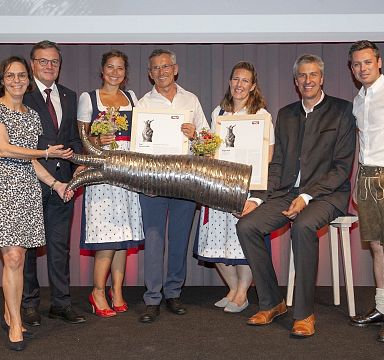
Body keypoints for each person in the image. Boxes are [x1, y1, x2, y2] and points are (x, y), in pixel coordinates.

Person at [236, 54, 356, 337]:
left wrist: (307, 196)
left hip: (327, 194)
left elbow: (341, 169)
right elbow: (276, 163)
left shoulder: (342, 111)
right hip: (286, 191)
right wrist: (257, 198)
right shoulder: (286, 114)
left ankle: (304, 314)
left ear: (322, 78)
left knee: (302, 227)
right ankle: (272, 303)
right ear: (296, 81)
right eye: (302, 76)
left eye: (313, 75)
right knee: (248, 226)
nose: (308, 80)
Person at [0, 56, 74, 351]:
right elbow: (4, 149)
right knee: (14, 258)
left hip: (27, 190)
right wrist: (45, 151)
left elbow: (30, 160)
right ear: (2, 79)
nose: (16, 80)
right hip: (4, 189)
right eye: (10, 75)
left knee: (16, 258)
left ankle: (10, 311)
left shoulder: (31, 115)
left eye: (21, 76)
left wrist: (57, 184)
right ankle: (16, 324)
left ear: (28, 80)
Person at [194, 61, 274, 313]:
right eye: (235, 79)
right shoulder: (219, 113)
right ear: (230, 82)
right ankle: (233, 289)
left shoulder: (261, 115)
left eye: (245, 81)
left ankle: (242, 294)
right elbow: (208, 149)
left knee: (241, 241)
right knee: (216, 240)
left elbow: (268, 157)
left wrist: (254, 187)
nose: (239, 85)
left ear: (252, 86)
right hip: (219, 187)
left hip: (246, 188)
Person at [137, 49, 209, 323]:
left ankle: (173, 293)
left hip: (185, 180)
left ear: (175, 69)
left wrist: (196, 135)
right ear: (150, 73)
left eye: (165, 66)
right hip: (153, 182)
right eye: (155, 68)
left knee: (179, 239)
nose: (161, 71)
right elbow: (138, 147)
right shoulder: (143, 104)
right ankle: (152, 297)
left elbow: (207, 141)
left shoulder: (191, 100)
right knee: (154, 239)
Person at [22, 40, 85, 326]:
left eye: (54, 62)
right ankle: (29, 305)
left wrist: (78, 166)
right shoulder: (21, 92)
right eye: (43, 61)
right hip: (29, 179)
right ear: (32, 64)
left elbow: (72, 138)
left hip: (62, 183)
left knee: (60, 247)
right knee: (29, 249)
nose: (49, 66)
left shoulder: (70, 96)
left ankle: (61, 303)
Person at [77, 50, 144, 317]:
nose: (115, 72)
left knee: (123, 237)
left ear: (125, 73)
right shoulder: (88, 98)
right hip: (103, 172)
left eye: (120, 68)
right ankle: (97, 292)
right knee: (106, 237)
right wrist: (97, 141)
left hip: (127, 171)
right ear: (102, 71)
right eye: (110, 67)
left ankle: (117, 291)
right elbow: (82, 139)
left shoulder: (132, 99)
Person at [348, 40, 384, 343]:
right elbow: (363, 144)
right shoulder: (358, 100)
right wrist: (359, 181)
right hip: (368, 177)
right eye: (357, 64)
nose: (362, 68)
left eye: (367, 62)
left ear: (379, 62)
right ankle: (382, 307)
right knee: (376, 246)